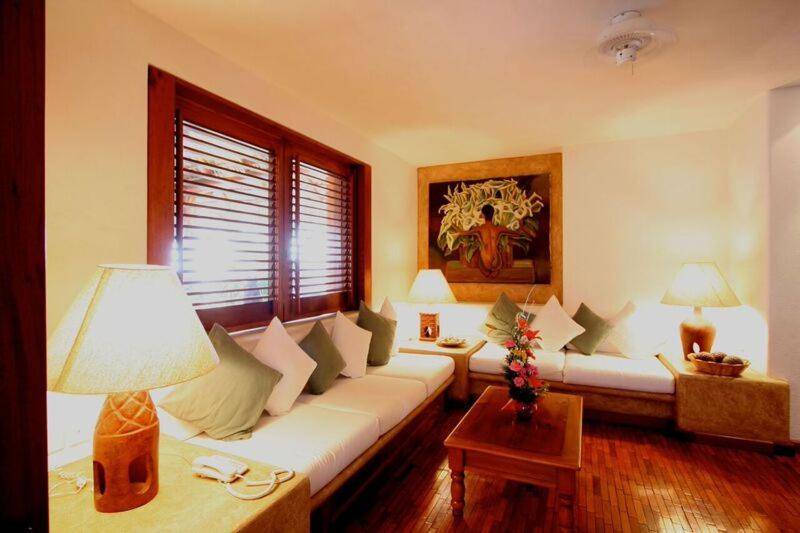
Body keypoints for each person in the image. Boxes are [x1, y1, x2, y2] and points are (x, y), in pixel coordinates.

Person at [457, 203, 520, 277]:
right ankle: (494, 271)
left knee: (483, 261)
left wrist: (456, 226)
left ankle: (487, 271)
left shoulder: (479, 229)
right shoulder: (499, 229)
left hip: (485, 262)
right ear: (493, 214)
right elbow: (517, 234)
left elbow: (462, 233)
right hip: (496, 261)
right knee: (495, 268)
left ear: (483, 215)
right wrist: (521, 224)